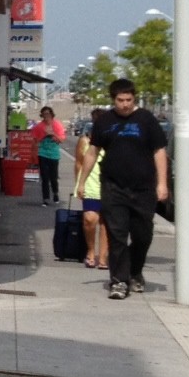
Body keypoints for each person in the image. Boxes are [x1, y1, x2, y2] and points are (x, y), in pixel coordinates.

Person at [72, 78, 168, 300]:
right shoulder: (105, 121)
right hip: (113, 187)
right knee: (117, 235)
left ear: (134, 98)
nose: (125, 104)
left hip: (143, 188)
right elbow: (92, 152)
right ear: (113, 99)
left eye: (129, 100)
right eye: (120, 100)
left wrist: (162, 184)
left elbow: (159, 152)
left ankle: (135, 272)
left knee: (143, 235)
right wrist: (83, 182)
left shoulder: (146, 120)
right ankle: (119, 280)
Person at [72, 107, 110, 270]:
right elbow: (79, 162)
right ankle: (90, 250)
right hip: (91, 184)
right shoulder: (85, 141)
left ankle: (102, 257)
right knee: (90, 219)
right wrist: (79, 183)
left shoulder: (113, 140)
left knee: (106, 222)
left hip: (109, 185)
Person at [30, 106, 67, 205]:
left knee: (53, 177)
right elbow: (34, 141)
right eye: (44, 114)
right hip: (42, 153)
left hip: (54, 154)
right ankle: (45, 198)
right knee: (44, 177)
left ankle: (55, 193)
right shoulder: (38, 127)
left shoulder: (57, 125)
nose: (46, 116)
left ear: (52, 114)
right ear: (41, 115)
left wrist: (52, 133)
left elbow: (62, 139)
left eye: (48, 114)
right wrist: (33, 155)